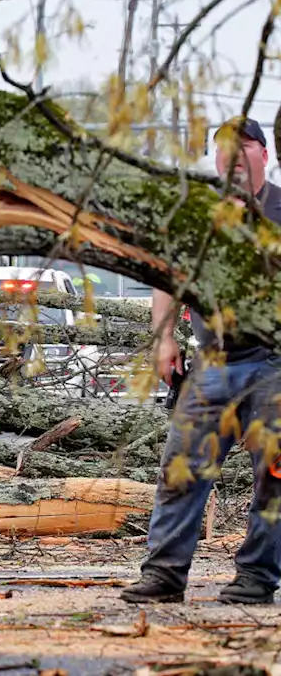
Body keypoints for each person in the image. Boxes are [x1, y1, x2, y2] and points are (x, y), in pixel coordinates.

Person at [123, 117, 281, 605]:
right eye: (224, 150)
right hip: (212, 362)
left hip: (274, 363)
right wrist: (164, 338)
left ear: (264, 156)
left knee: (275, 474)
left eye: (245, 147)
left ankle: (256, 577)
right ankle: (165, 575)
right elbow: (167, 276)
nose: (233, 157)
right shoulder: (198, 214)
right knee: (181, 469)